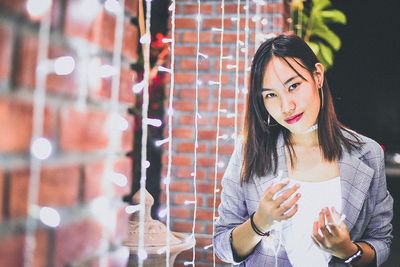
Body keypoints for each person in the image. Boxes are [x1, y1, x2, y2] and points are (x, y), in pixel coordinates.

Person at [213, 34, 393, 266]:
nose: (286, 106)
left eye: (294, 86)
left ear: (317, 76)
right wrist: (260, 223)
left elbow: (381, 242)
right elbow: (221, 246)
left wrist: (348, 250)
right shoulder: (250, 151)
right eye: (271, 95)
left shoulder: (368, 153)